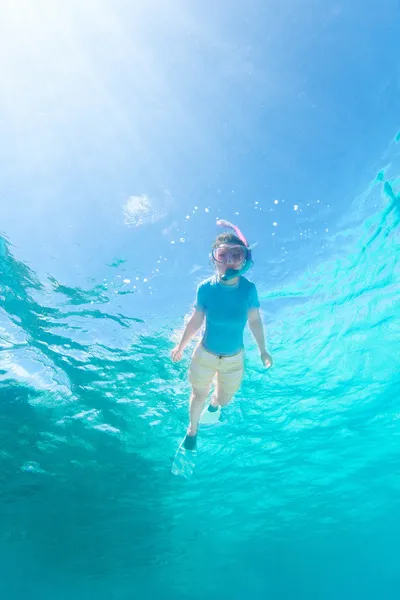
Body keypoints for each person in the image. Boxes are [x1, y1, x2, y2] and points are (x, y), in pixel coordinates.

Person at [171, 219, 272, 451]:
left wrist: (263, 350)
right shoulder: (205, 288)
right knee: (198, 394)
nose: (228, 262)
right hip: (205, 353)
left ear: (244, 261)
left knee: (224, 400)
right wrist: (181, 346)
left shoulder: (248, 290)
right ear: (214, 259)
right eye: (222, 255)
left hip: (234, 359)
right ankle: (192, 432)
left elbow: (254, 321)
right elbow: (196, 320)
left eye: (235, 256)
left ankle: (215, 405)